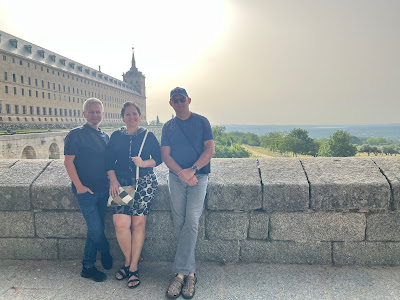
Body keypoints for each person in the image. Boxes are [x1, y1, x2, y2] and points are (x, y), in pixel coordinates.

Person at [161, 87, 215, 299]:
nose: (179, 102)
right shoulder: (168, 126)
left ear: (188, 100)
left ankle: (180, 274)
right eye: (175, 100)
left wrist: (191, 170)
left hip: (198, 177)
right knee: (179, 221)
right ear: (171, 104)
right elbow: (165, 155)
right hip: (176, 177)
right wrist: (181, 173)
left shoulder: (202, 122)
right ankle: (190, 274)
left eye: (181, 99)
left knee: (191, 220)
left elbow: (209, 150)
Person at [106, 102, 162, 288]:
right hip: (121, 183)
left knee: (138, 224)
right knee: (121, 223)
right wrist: (113, 181)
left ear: (140, 115)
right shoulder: (116, 136)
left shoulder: (148, 135)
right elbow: (108, 162)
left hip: (144, 183)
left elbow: (159, 159)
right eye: (128, 114)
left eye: (135, 114)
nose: (132, 117)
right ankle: (129, 262)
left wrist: (143, 163)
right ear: (123, 117)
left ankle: (133, 267)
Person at [64, 97, 113, 282]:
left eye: (98, 111)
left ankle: (88, 265)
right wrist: (80, 187)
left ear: (102, 114)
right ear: (84, 114)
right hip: (86, 192)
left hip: (105, 190)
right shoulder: (75, 134)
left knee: (95, 229)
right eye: (91, 112)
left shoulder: (105, 135)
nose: (95, 115)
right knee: (95, 229)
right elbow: (68, 162)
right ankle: (105, 250)